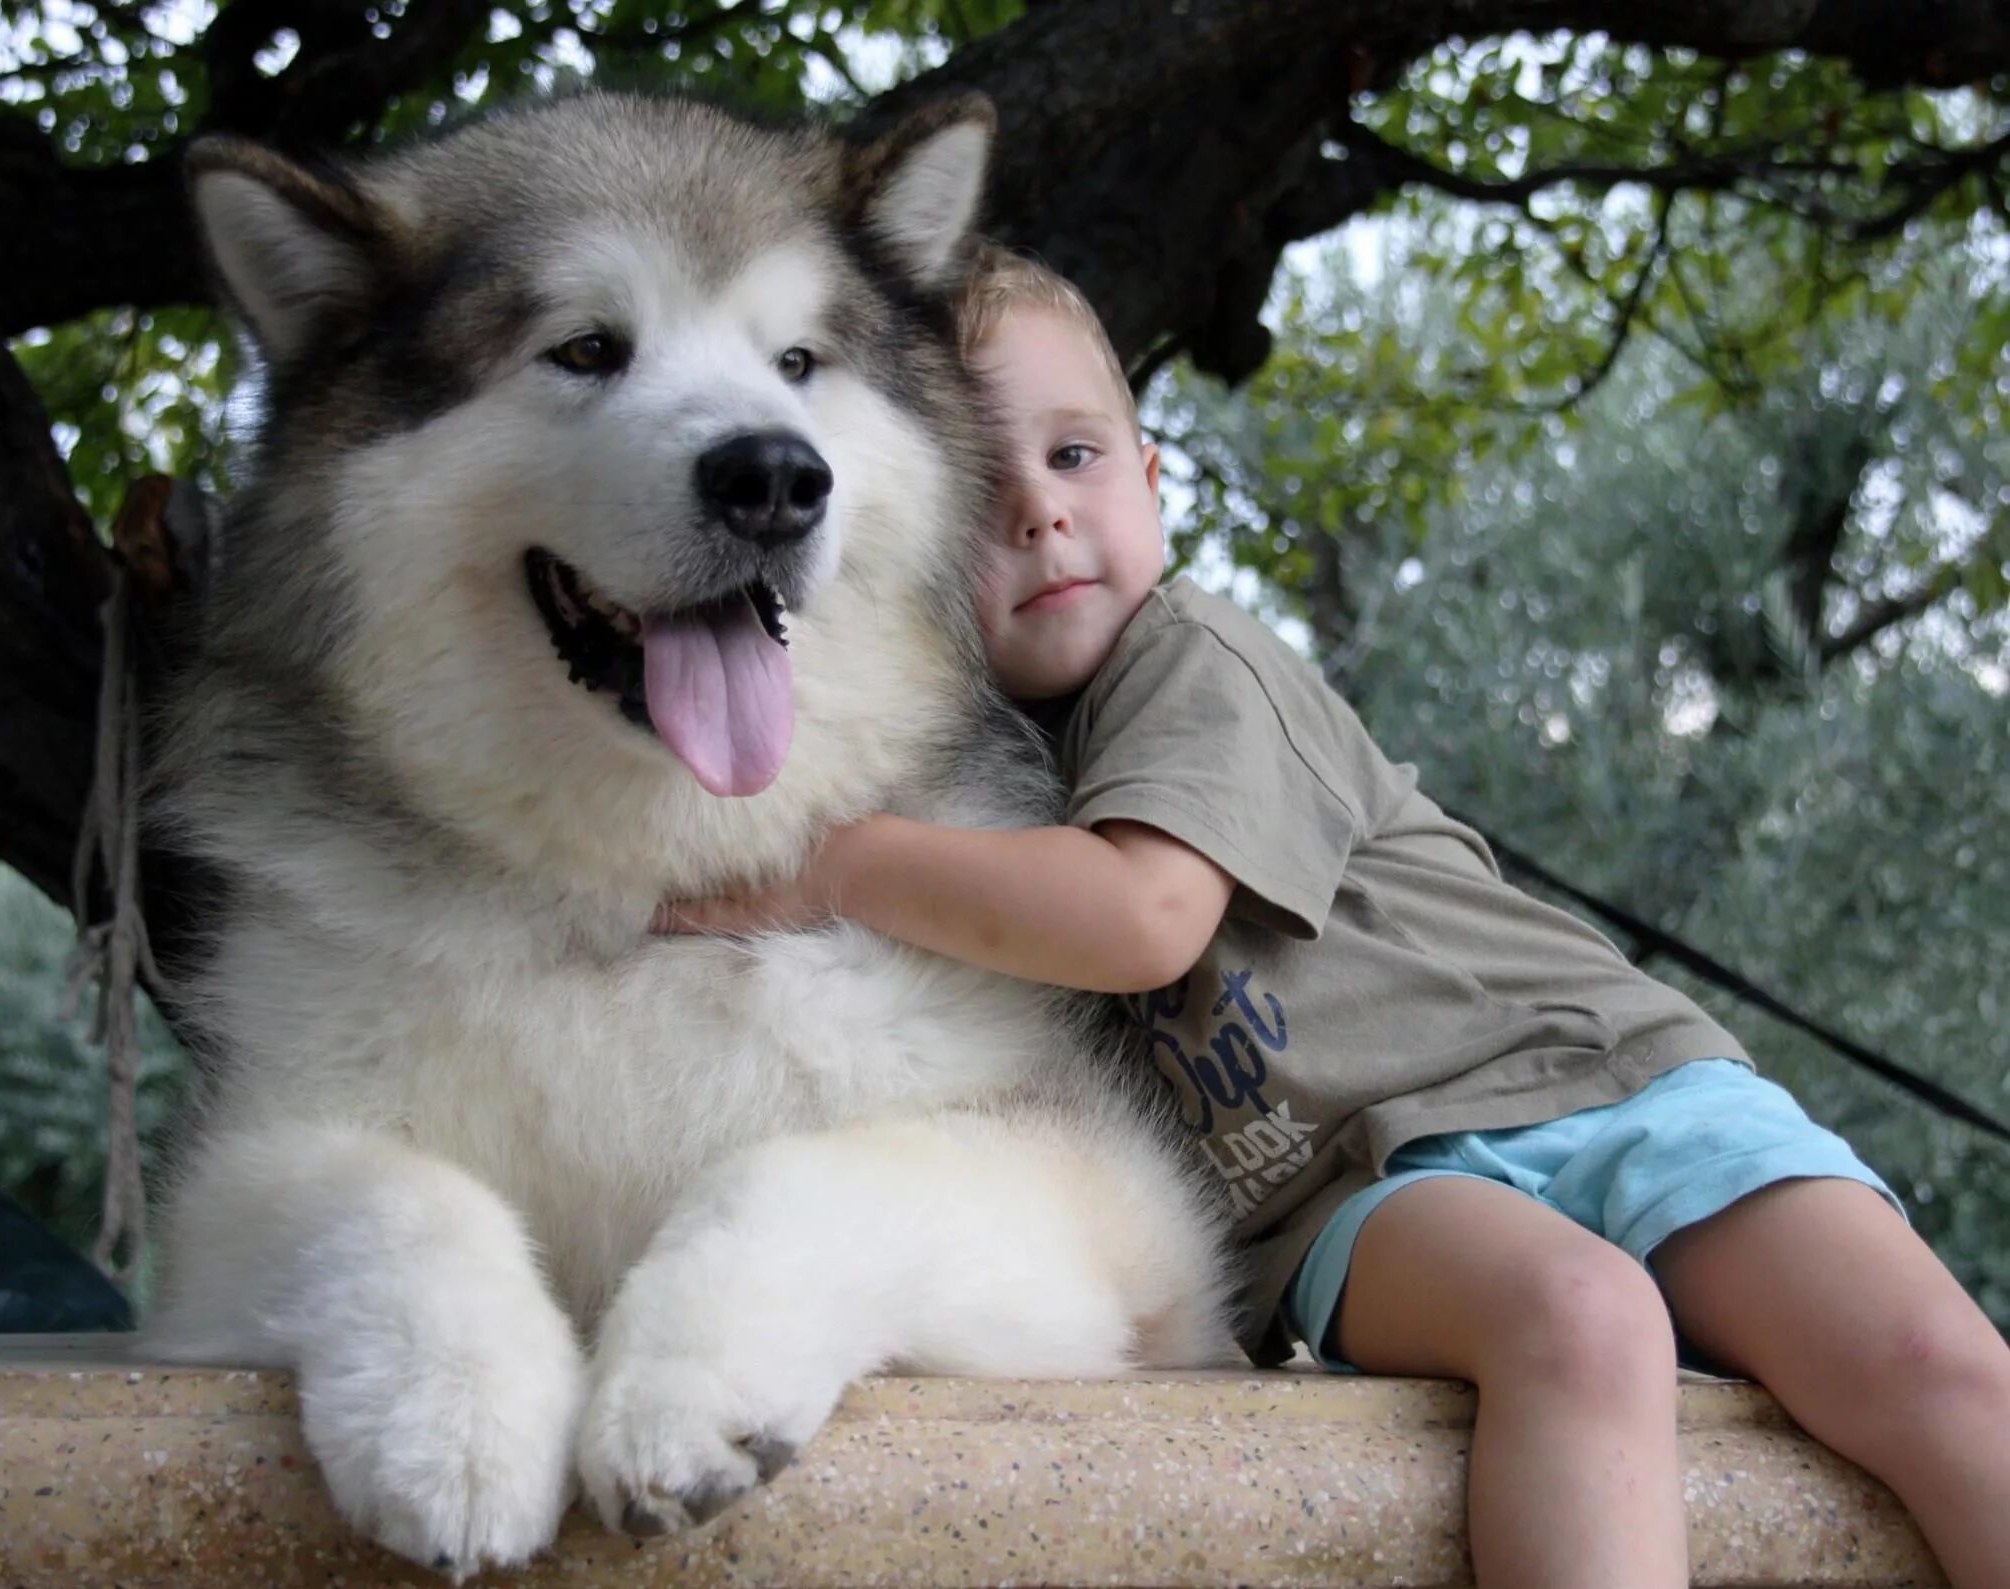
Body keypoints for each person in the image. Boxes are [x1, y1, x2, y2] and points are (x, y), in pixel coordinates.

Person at [659, 245, 2010, 1588]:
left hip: (1599, 1074)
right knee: (1582, 1318)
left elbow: (1142, 918)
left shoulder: (1193, 657)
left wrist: (840, 863)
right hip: (1357, 1193)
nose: (1037, 513)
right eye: (977, 495)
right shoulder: (960, 763)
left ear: (1152, 484)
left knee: (1935, 1366)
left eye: (1073, 456)